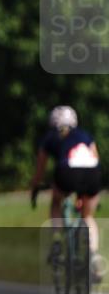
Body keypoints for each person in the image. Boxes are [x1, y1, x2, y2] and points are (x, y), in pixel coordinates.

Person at [31, 105, 104, 280]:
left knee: (56, 201)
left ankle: (57, 241)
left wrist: (35, 184)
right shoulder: (85, 135)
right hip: (92, 173)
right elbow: (95, 157)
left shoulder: (50, 137)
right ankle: (92, 254)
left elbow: (40, 167)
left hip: (66, 172)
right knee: (88, 216)